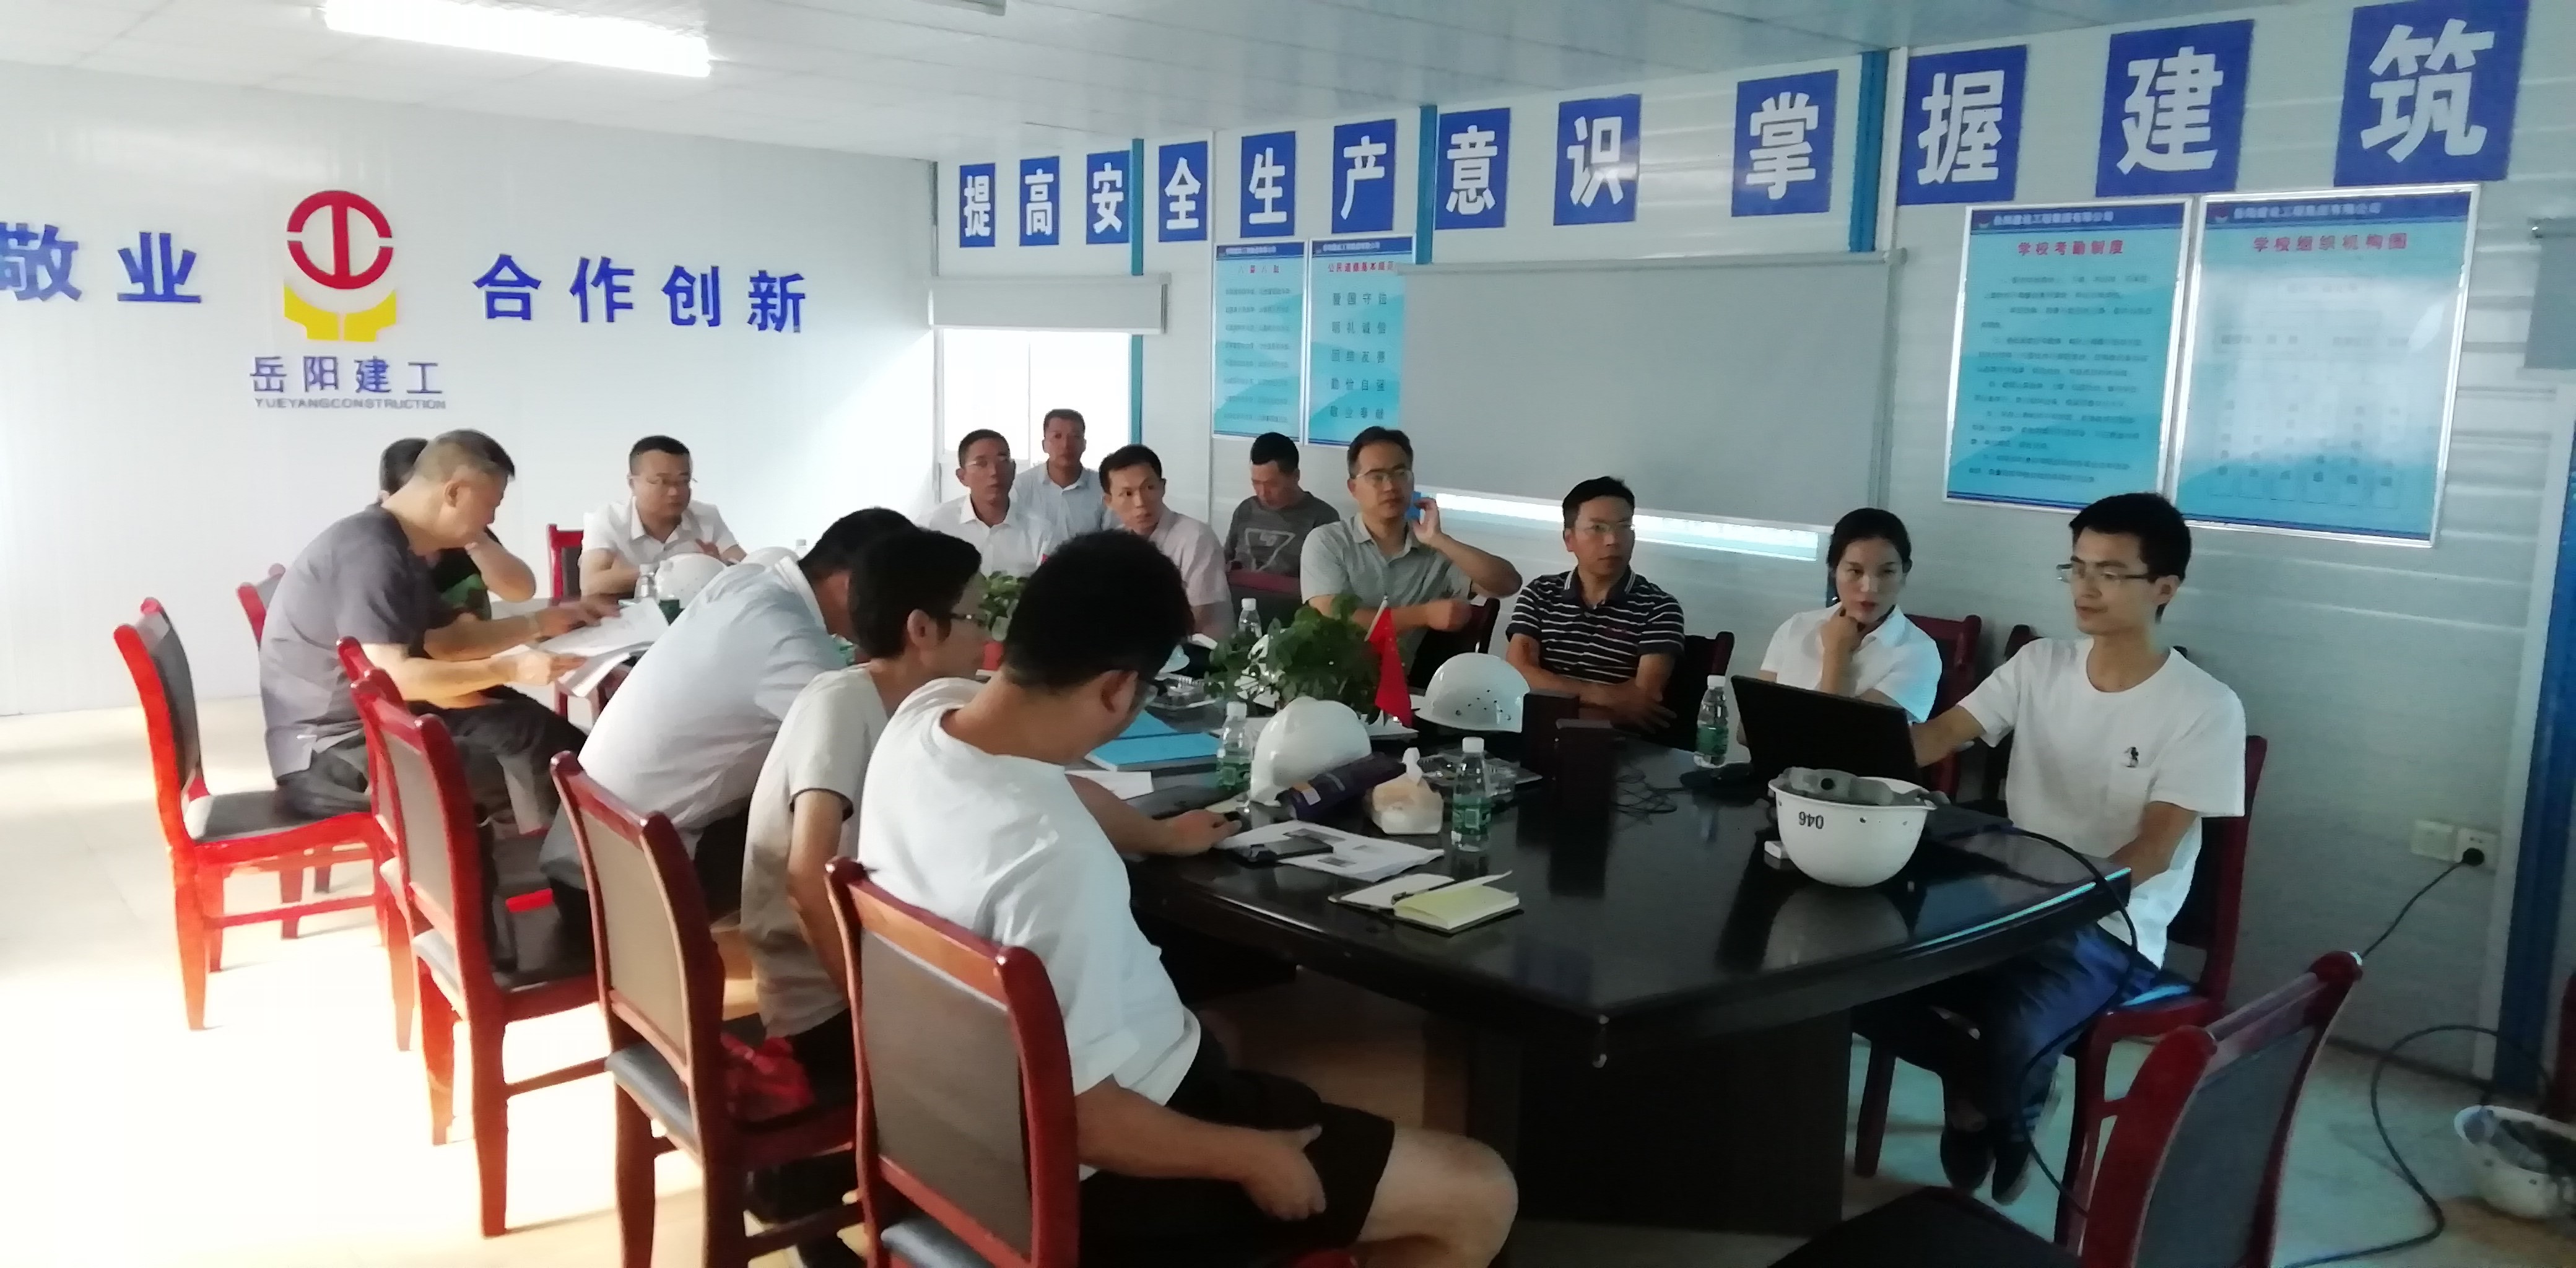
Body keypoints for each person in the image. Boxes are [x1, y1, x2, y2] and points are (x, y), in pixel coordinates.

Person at [858, 532, 1516, 1266]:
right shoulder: (1053, 858)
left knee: (1243, 1029)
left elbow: (1050, 782)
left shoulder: (923, 722)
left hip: (948, 1126)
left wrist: (1157, 836)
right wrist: (1250, 1157)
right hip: (1097, 1175)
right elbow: (1084, 1118)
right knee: (1478, 1186)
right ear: (1118, 688)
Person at [1865, 492, 2246, 1203]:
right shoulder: (2038, 664)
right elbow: (1937, 737)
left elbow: (2155, 848)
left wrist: (2055, 903)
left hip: (2109, 927)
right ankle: (1983, 1089)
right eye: (2076, 567)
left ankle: (2004, 1106)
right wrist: (1842, 750)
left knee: (2014, 1027)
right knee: (1857, 980)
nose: (2084, 587)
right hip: (2001, 904)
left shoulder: (2203, 706)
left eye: (2109, 572)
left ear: (2164, 588)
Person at [738, 527, 990, 1268]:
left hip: (868, 964)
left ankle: (826, 1184)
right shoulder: (842, 702)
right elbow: (806, 873)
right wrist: (868, 1005)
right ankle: (891, 1211)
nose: (986, 639)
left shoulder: (916, 702)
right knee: (1023, 1059)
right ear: (922, 629)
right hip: (822, 994)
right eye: (975, 617)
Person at [540, 508, 914, 923]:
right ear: (850, 586)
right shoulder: (791, 641)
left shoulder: (745, 581)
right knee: (846, 813)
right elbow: (880, 757)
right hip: (620, 898)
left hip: (585, 857)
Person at [261, 430, 607, 823]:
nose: (491, 520)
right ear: (455, 492)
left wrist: (539, 622)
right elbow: (395, 679)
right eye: (491, 505)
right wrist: (512, 668)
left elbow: (448, 643)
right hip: (334, 756)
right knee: (539, 756)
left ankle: (556, 845)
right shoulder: (370, 551)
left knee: (542, 733)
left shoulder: (399, 544)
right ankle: (551, 853)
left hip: (374, 725)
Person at [1300, 426, 1521, 662]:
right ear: (1353, 488)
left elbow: (1508, 584)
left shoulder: (1434, 551)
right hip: (1330, 674)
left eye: (1400, 473)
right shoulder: (1328, 542)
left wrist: (1440, 540)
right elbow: (1335, 619)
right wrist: (1424, 615)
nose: (1391, 486)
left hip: (1399, 681)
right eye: (1377, 476)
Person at [1500, 477, 1686, 731]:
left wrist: (1549, 705)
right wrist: (1606, 696)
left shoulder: (1660, 608)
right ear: (1569, 540)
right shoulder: (1540, 593)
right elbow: (1518, 672)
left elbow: (1642, 704)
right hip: (1532, 733)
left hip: (1612, 743)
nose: (1613, 540)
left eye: (1624, 526)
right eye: (1598, 528)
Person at [1756, 507, 1944, 723]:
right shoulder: (1796, 627)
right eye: (1855, 571)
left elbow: (1841, 736)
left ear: (1904, 573)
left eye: (1887, 572)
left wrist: (1837, 652)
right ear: (1833, 570)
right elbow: (1749, 728)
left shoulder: (1919, 653)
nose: (1869, 588)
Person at [377, 436, 537, 619]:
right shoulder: (379, 553)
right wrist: (534, 624)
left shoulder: (467, 532)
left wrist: (477, 542)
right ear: (387, 500)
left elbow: (522, 592)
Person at [580, 435, 746, 597]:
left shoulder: (706, 516)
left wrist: (719, 565)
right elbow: (591, 583)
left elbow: (747, 569)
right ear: (632, 483)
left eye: (684, 481)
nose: (675, 492)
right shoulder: (608, 519)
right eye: (661, 482)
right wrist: (682, 569)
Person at [1102, 443, 1230, 638]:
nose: (1140, 502)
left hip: (1200, 650)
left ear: (1163, 487)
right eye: (1127, 494)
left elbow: (1198, 616)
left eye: (1149, 488)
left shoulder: (1196, 537)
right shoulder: (1114, 545)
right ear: (1109, 501)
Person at [924, 429, 1060, 578]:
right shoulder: (937, 526)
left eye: (1002, 461)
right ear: (962, 477)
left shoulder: (1041, 532)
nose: (994, 472)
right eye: (981, 464)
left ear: (1013, 469)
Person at [1224, 431, 1339, 579]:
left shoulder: (1323, 518)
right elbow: (1224, 562)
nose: (1263, 493)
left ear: (1296, 476)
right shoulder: (1245, 509)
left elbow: (1325, 582)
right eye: (1256, 483)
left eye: (1272, 484)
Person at [1014, 407, 1110, 537]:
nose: (1066, 445)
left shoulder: (1103, 487)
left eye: (1075, 437)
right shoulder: (1021, 486)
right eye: (1057, 436)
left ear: (1084, 444)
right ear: (1044, 445)